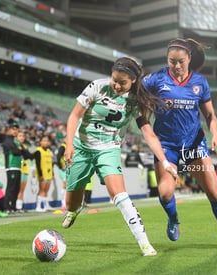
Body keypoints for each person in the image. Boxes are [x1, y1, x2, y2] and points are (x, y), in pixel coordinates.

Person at [62, 56, 178, 257]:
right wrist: (69, 144)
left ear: (133, 80)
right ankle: (74, 209)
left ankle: (144, 243)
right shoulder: (97, 87)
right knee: (71, 202)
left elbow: (148, 133)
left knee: (120, 195)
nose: (116, 85)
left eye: (122, 82)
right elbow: (74, 116)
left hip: (109, 149)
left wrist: (165, 161)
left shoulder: (137, 101)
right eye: (114, 79)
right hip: (82, 147)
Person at [142, 38, 217, 248]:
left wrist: (216, 133)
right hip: (166, 146)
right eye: (172, 61)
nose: (176, 66)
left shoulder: (200, 82)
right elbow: (135, 90)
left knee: (213, 192)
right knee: (165, 192)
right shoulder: (156, 79)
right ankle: (174, 219)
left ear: (189, 59)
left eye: (181, 61)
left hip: (194, 145)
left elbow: (210, 115)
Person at [2, 122, 33, 214]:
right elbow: (16, 151)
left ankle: (13, 207)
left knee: (16, 188)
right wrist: (20, 150)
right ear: (9, 130)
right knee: (10, 187)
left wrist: (21, 150)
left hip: (18, 167)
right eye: (13, 129)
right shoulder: (7, 140)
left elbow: (24, 153)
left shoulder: (15, 141)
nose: (15, 131)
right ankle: (6, 207)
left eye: (16, 129)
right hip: (11, 166)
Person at [34, 135, 55, 212]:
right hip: (43, 174)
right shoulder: (38, 151)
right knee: (41, 189)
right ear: (40, 142)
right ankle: (38, 206)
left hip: (49, 173)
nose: (46, 142)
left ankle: (46, 205)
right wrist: (40, 174)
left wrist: (52, 173)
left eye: (47, 141)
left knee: (46, 190)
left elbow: (51, 163)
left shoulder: (49, 151)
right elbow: (38, 163)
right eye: (44, 141)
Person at [16, 130, 32, 213]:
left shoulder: (25, 146)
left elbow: (28, 156)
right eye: (20, 136)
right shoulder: (15, 146)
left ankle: (19, 206)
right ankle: (16, 206)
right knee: (18, 189)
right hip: (19, 169)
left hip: (25, 169)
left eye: (23, 136)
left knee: (22, 189)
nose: (22, 137)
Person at [56, 137, 67, 211]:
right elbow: (58, 156)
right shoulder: (63, 147)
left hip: (67, 168)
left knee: (67, 185)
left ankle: (66, 202)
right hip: (63, 169)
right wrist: (60, 166)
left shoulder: (69, 146)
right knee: (65, 184)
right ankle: (63, 203)